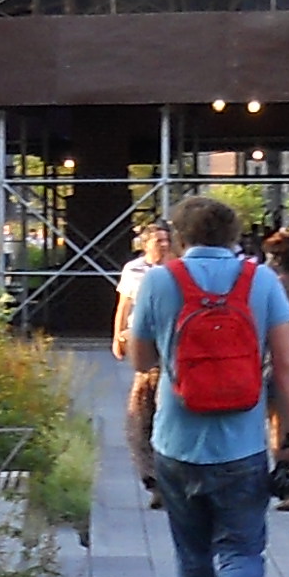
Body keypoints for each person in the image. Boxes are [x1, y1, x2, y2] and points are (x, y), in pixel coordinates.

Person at [128, 194, 289, 577]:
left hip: (176, 442)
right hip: (242, 445)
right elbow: (288, 366)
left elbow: (140, 359)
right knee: (242, 547)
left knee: (192, 555)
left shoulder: (161, 280)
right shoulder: (262, 281)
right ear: (235, 236)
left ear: (181, 237)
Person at [110, 216, 181, 508]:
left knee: (165, 409)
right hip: (143, 343)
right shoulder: (134, 269)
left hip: (171, 344)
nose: (164, 245)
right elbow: (124, 304)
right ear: (146, 244)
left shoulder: (178, 269)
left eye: (167, 240)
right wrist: (117, 336)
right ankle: (153, 479)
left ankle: (169, 479)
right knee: (141, 412)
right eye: (158, 240)